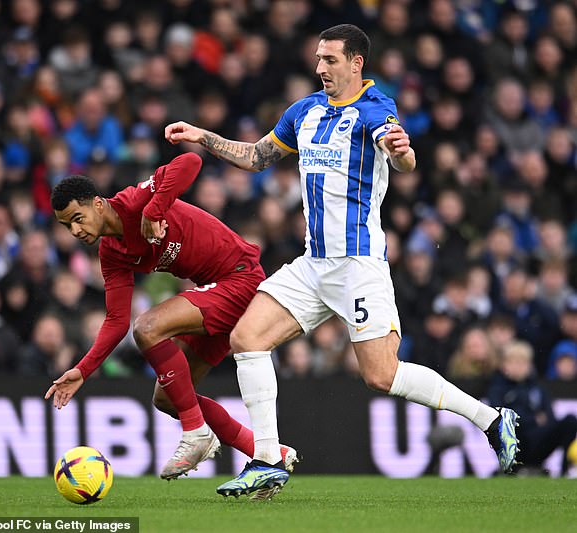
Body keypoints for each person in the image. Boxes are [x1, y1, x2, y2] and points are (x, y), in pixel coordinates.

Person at [165, 24, 520, 499]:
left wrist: (403, 154)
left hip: (358, 265)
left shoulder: (376, 109)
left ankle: (492, 420)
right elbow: (256, 157)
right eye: (317, 59)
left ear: (356, 63)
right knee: (246, 337)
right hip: (313, 264)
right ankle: (267, 459)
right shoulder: (304, 111)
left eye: (330, 60)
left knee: (381, 375)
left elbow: (399, 156)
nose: (319, 69)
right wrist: (203, 136)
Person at [44, 152, 297, 487]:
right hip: (217, 294)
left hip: (239, 278)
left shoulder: (135, 202)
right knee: (168, 398)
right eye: (67, 225)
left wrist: (154, 209)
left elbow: (190, 161)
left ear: (98, 204)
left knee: (148, 327)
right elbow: (116, 320)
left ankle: (195, 433)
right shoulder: (111, 254)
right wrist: (82, 369)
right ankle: (269, 453)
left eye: (78, 217)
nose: (75, 230)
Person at [487, 340, 577, 475]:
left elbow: (550, 418)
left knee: (570, 421)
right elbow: (502, 420)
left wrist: (527, 419)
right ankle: (512, 466)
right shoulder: (498, 389)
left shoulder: (538, 389)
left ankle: (564, 471)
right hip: (515, 441)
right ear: (504, 365)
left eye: (523, 362)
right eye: (514, 361)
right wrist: (534, 419)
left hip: (537, 440)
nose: (519, 366)